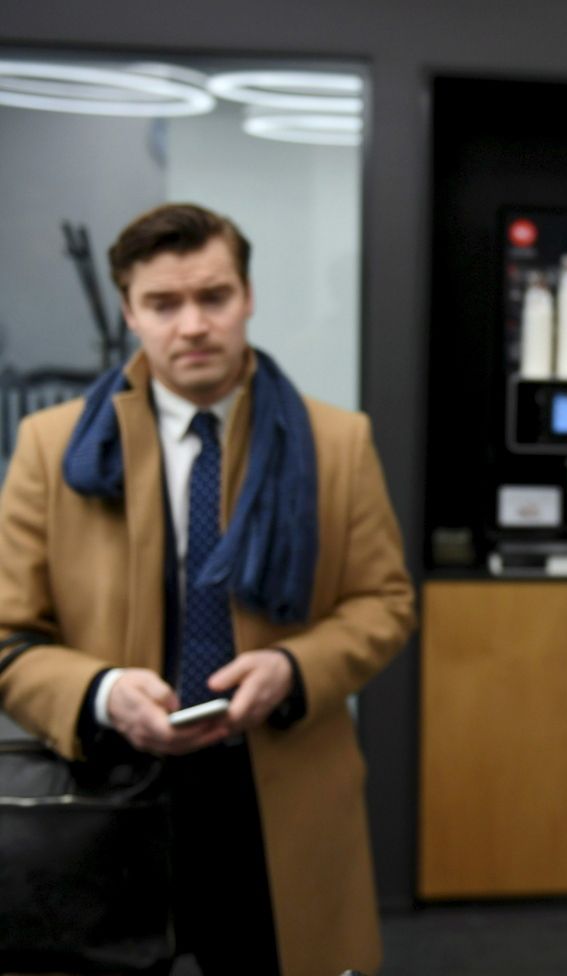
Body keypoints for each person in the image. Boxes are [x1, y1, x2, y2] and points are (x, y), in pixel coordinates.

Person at [0, 203, 415, 975]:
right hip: (109, 792)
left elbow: (385, 604)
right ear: (129, 311)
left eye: (213, 297)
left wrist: (295, 670)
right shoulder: (50, 447)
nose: (192, 324)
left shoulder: (336, 442)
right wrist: (102, 691)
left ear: (247, 296)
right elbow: (8, 635)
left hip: (276, 794)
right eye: (163, 303)